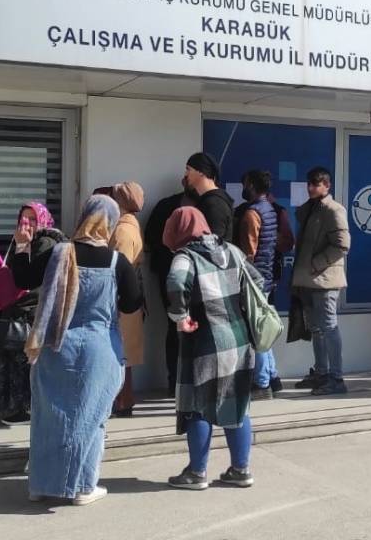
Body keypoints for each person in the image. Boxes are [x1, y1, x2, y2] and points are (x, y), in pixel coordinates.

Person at [15, 195, 143, 505]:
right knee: (91, 418)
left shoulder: (60, 253)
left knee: (49, 417)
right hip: (99, 349)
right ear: (110, 224)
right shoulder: (117, 262)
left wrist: (21, 246)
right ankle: (83, 486)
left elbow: (23, 279)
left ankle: (41, 485)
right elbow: (132, 303)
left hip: (56, 345)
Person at [163, 207, 263, 490]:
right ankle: (240, 470)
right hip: (239, 339)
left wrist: (180, 318)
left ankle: (197, 473)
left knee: (198, 406)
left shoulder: (186, 256)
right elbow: (257, 281)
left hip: (204, 341)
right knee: (237, 404)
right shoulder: (231, 250)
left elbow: (175, 282)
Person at [0, 202, 66, 425]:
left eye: (32, 219)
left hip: (31, 311)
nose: (27, 224)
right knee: (16, 360)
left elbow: (26, 279)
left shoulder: (45, 242)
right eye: (23, 220)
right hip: (25, 308)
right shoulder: (30, 241)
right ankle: (15, 409)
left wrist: (22, 247)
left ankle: (22, 410)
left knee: (23, 361)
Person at [290, 167, 351, 395]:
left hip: (324, 279)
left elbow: (342, 245)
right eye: (309, 183)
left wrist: (317, 264)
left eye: (316, 184)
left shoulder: (334, 210)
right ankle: (321, 373)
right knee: (316, 329)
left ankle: (336, 377)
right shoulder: (312, 209)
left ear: (327, 185)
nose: (310, 187)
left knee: (328, 327)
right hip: (309, 279)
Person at [233, 170, 284, 398]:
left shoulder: (252, 213)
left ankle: (261, 383)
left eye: (245, 183)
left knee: (256, 332)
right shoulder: (270, 209)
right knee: (263, 327)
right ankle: (272, 377)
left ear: (252, 185)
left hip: (255, 279)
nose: (243, 188)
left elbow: (249, 252)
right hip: (266, 275)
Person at [145, 178, 196, 395]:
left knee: (186, 327)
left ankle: (183, 380)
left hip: (191, 277)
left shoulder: (208, 205)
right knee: (178, 325)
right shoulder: (167, 206)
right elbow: (151, 237)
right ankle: (176, 380)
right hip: (171, 275)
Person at [108, 182, 146, 417]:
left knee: (121, 353)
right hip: (131, 297)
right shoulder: (132, 226)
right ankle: (124, 399)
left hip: (121, 299)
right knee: (125, 352)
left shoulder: (122, 230)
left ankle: (123, 400)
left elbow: (118, 268)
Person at [185, 152, 234, 241]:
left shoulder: (214, 204)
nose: (186, 174)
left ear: (201, 172)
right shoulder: (208, 200)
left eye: (188, 169)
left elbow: (213, 245)